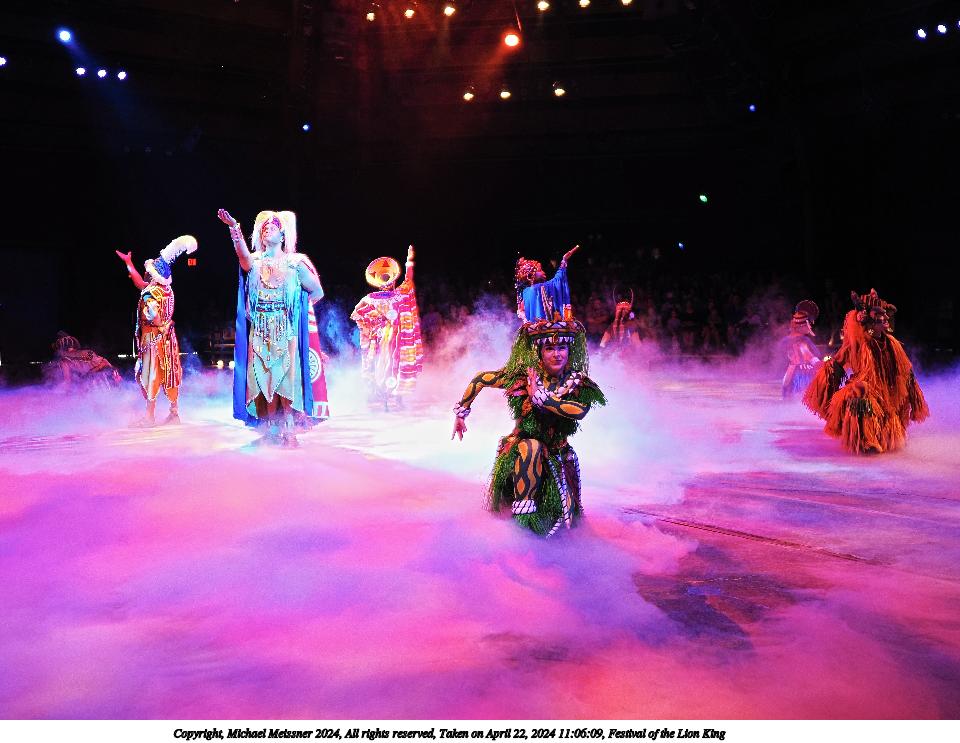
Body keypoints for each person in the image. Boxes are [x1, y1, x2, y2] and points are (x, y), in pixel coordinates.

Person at [452, 317, 605, 537]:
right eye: (549, 348)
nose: (557, 354)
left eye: (561, 348)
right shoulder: (524, 377)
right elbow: (481, 379)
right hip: (524, 451)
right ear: (540, 351)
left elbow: (580, 411)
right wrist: (461, 413)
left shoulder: (577, 383)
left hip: (557, 454)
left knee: (567, 531)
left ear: (569, 350)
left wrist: (544, 400)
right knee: (531, 446)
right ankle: (522, 525)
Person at [217, 208, 327, 446]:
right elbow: (243, 257)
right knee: (262, 379)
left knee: (286, 379)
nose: (267, 229)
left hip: (285, 329)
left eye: (273, 226)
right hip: (259, 330)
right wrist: (234, 229)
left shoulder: (295, 263)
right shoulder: (255, 262)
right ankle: (271, 429)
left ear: (283, 234)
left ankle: (289, 429)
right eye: (264, 227)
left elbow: (317, 291)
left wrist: (300, 311)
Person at [803, 288, 928, 454]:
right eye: (880, 315)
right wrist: (825, 392)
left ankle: (885, 436)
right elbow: (837, 365)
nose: (886, 317)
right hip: (867, 390)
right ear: (869, 321)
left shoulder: (892, 344)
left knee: (894, 403)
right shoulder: (857, 344)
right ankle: (863, 440)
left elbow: (905, 370)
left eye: (885, 314)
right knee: (859, 393)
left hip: (888, 392)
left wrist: (913, 395)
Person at [115, 236, 197, 426]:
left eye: (148, 271)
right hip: (167, 338)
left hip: (153, 337)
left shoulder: (151, 292)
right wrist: (128, 263)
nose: (145, 272)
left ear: (153, 275)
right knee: (170, 372)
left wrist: (158, 323)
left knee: (150, 373)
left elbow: (152, 312)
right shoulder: (165, 289)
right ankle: (174, 413)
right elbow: (139, 283)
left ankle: (150, 417)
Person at [351, 245, 424, 411]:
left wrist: (373, 323)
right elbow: (409, 281)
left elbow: (357, 314)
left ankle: (389, 399)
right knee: (391, 366)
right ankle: (392, 399)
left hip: (386, 339)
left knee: (386, 366)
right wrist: (409, 261)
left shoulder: (372, 297)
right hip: (391, 339)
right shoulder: (396, 295)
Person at [515, 245, 579, 323]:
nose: (543, 272)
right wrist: (564, 260)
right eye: (540, 270)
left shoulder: (525, 292)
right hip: (544, 328)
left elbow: (521, 311)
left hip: (536, 329)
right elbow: (557, 280)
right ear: (531, 276)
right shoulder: (538, 288)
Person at [44, 331, 121, 389]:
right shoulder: (87, 352)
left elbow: (67, 381)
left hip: (100, 376)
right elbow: (104, 362)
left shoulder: (65, 360)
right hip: (107, 372)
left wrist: (64, 393)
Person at [779, 300, 823, 398]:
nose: (810, 326)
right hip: (802, 377)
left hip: (790, 377)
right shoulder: (804, 341)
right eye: (809, 323)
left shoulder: (784, 341)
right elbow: (812, 358)